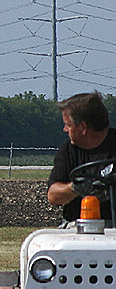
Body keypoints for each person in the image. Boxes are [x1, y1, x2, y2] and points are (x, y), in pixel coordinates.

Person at [47, 92, 116, 223]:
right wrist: (75, 188)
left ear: (83, 127)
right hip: (76, 227)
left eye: (68, 125)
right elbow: (53, 196)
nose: (65, 129)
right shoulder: (67, 150)